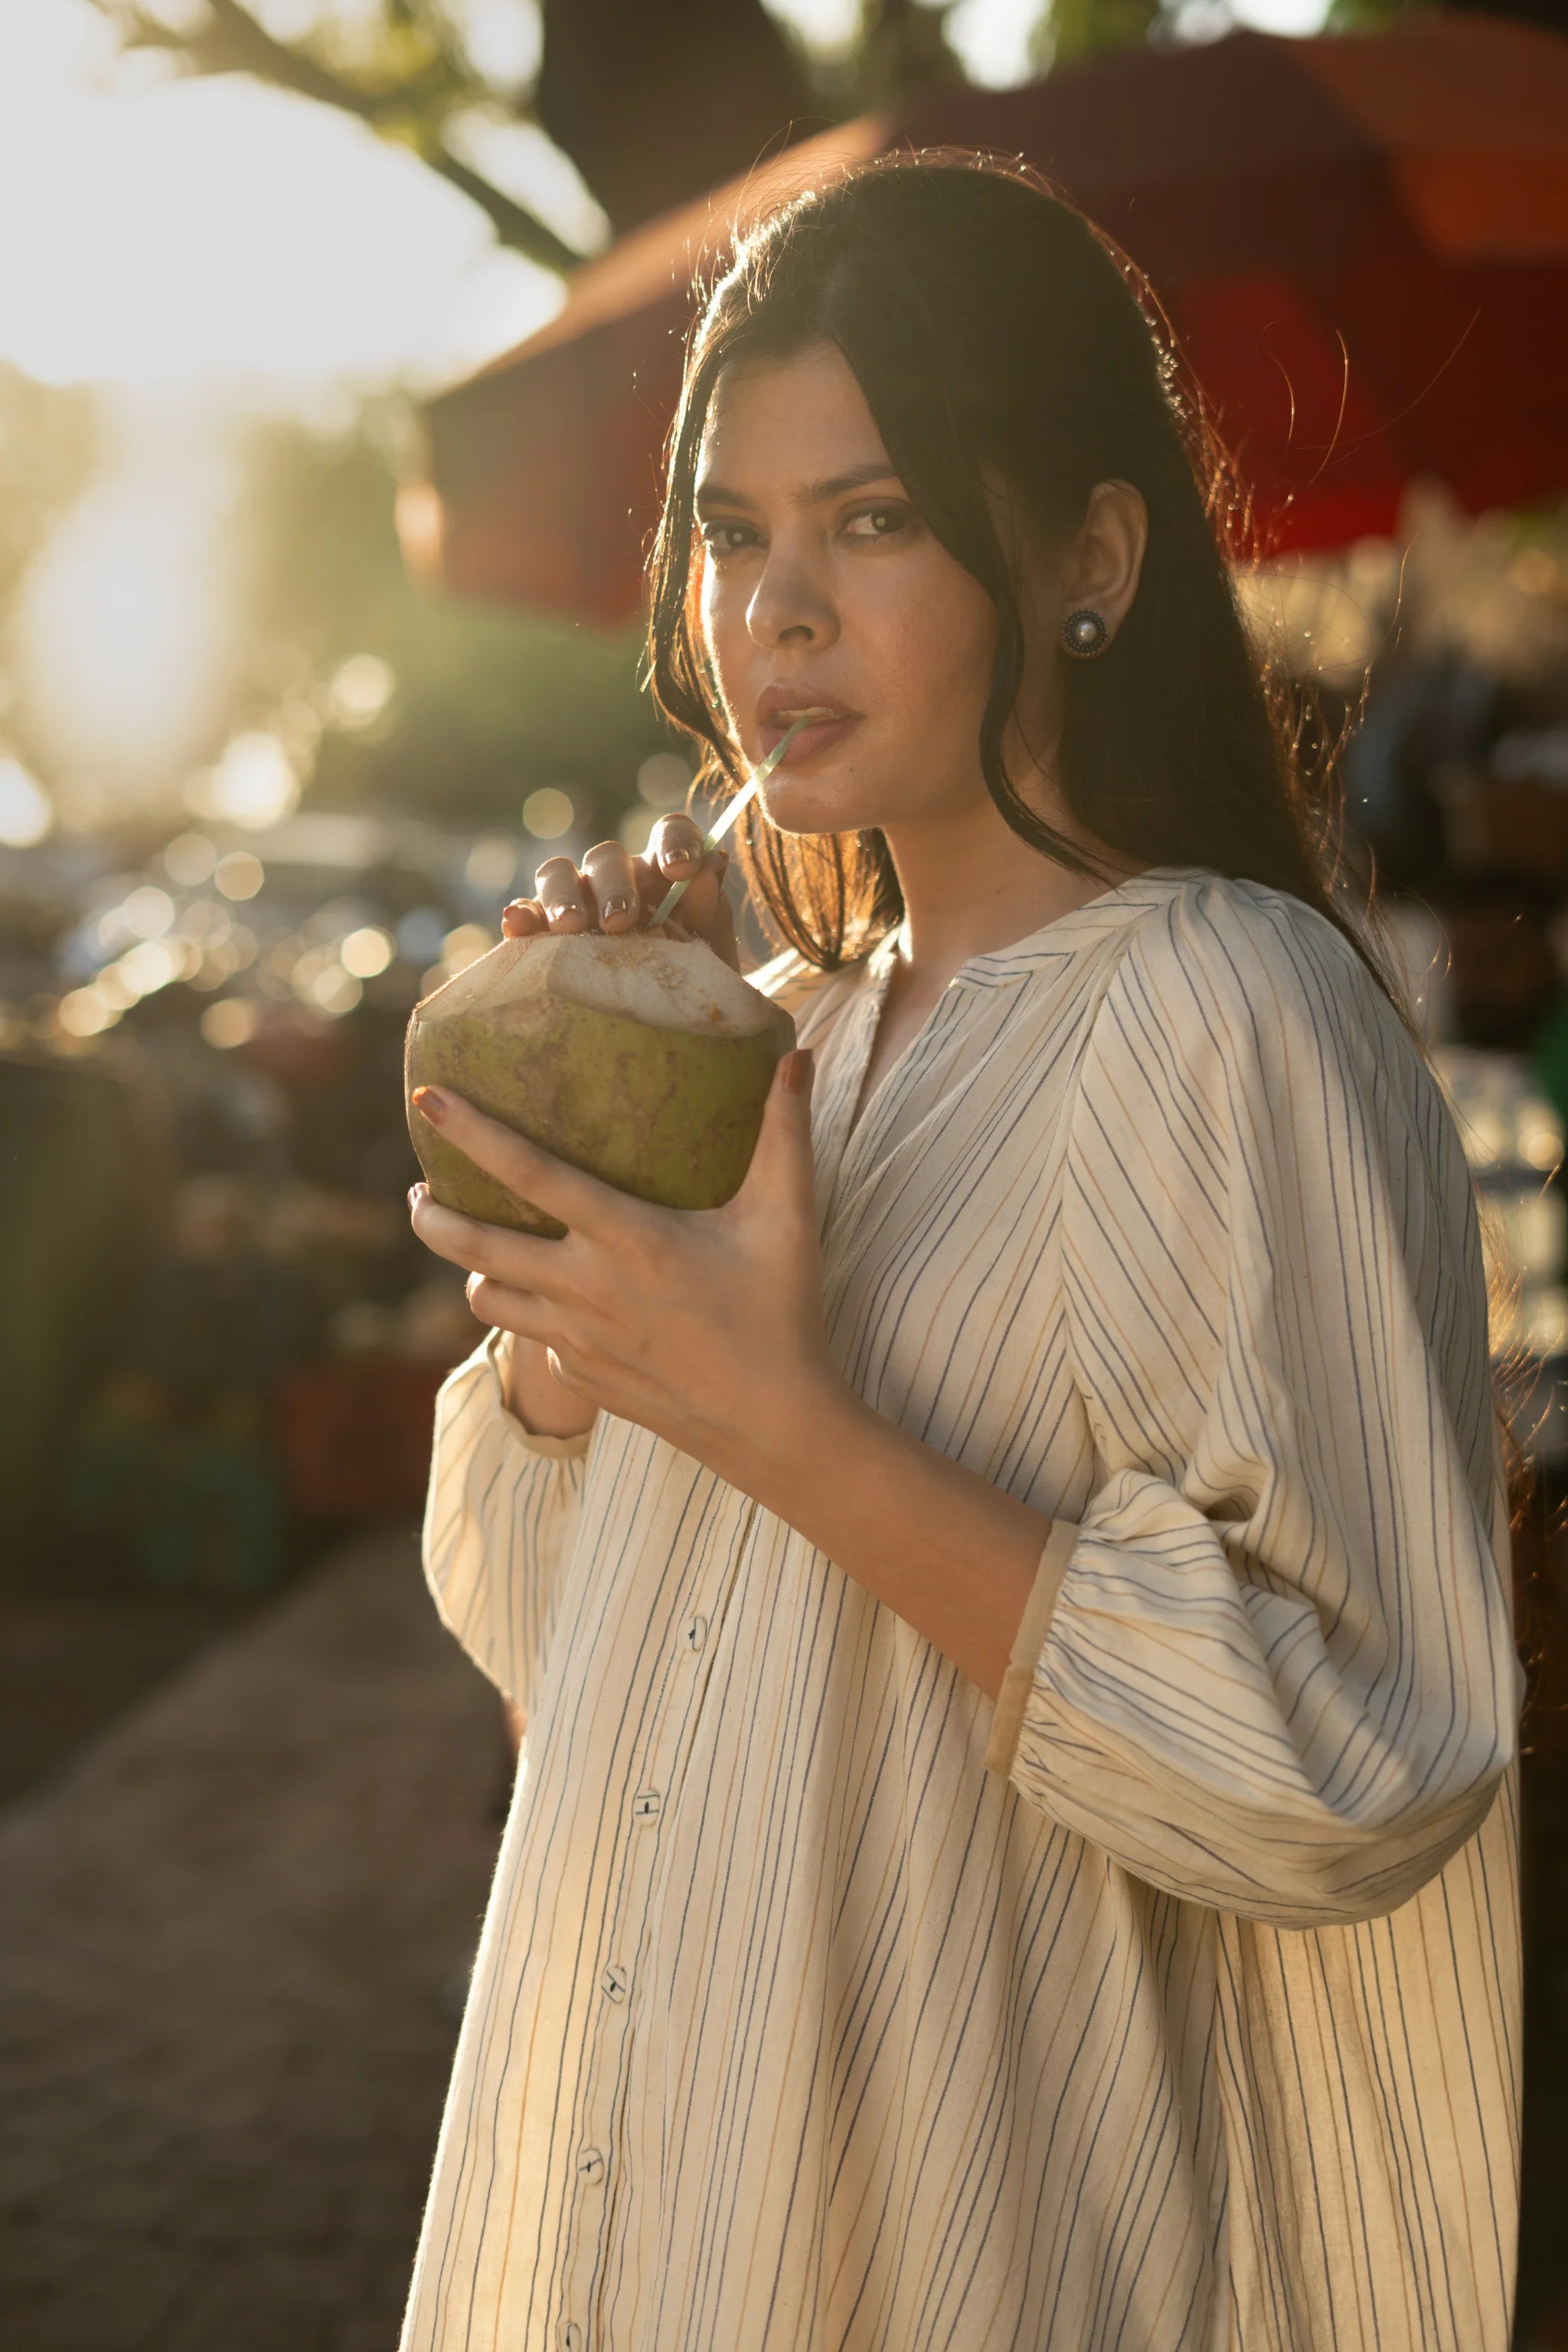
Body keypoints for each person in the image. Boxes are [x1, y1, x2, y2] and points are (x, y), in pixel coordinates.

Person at [402, 156, 1524, 2352]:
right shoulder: (783, 1048)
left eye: (876, 516)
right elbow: (563, 1641)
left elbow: (1358, 1758)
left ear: (1090, 555)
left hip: (969, 2221)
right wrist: (583, 1216)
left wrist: (788, 1421)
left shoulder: (1234, 1011)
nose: (773, 613)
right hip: (672, 2186)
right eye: (733, 535)